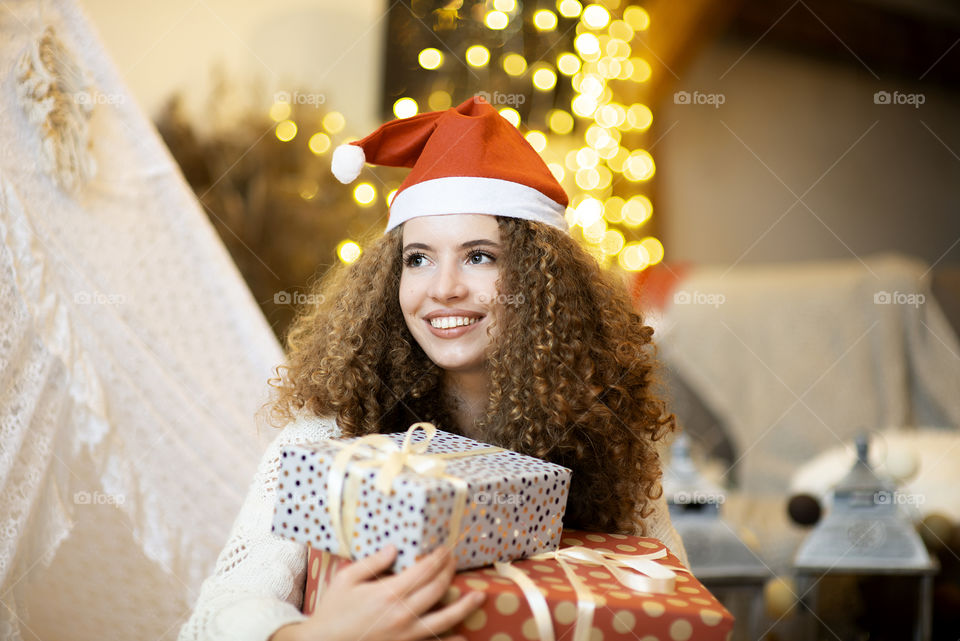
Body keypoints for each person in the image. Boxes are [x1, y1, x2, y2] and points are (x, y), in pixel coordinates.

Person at [178, 96, 687, 641]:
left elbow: (670, 599)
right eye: (417, 258)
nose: (442, 289)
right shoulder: (333, 428)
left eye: (479, 256)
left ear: (543, 284)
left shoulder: (602, 440)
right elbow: (214, 617)